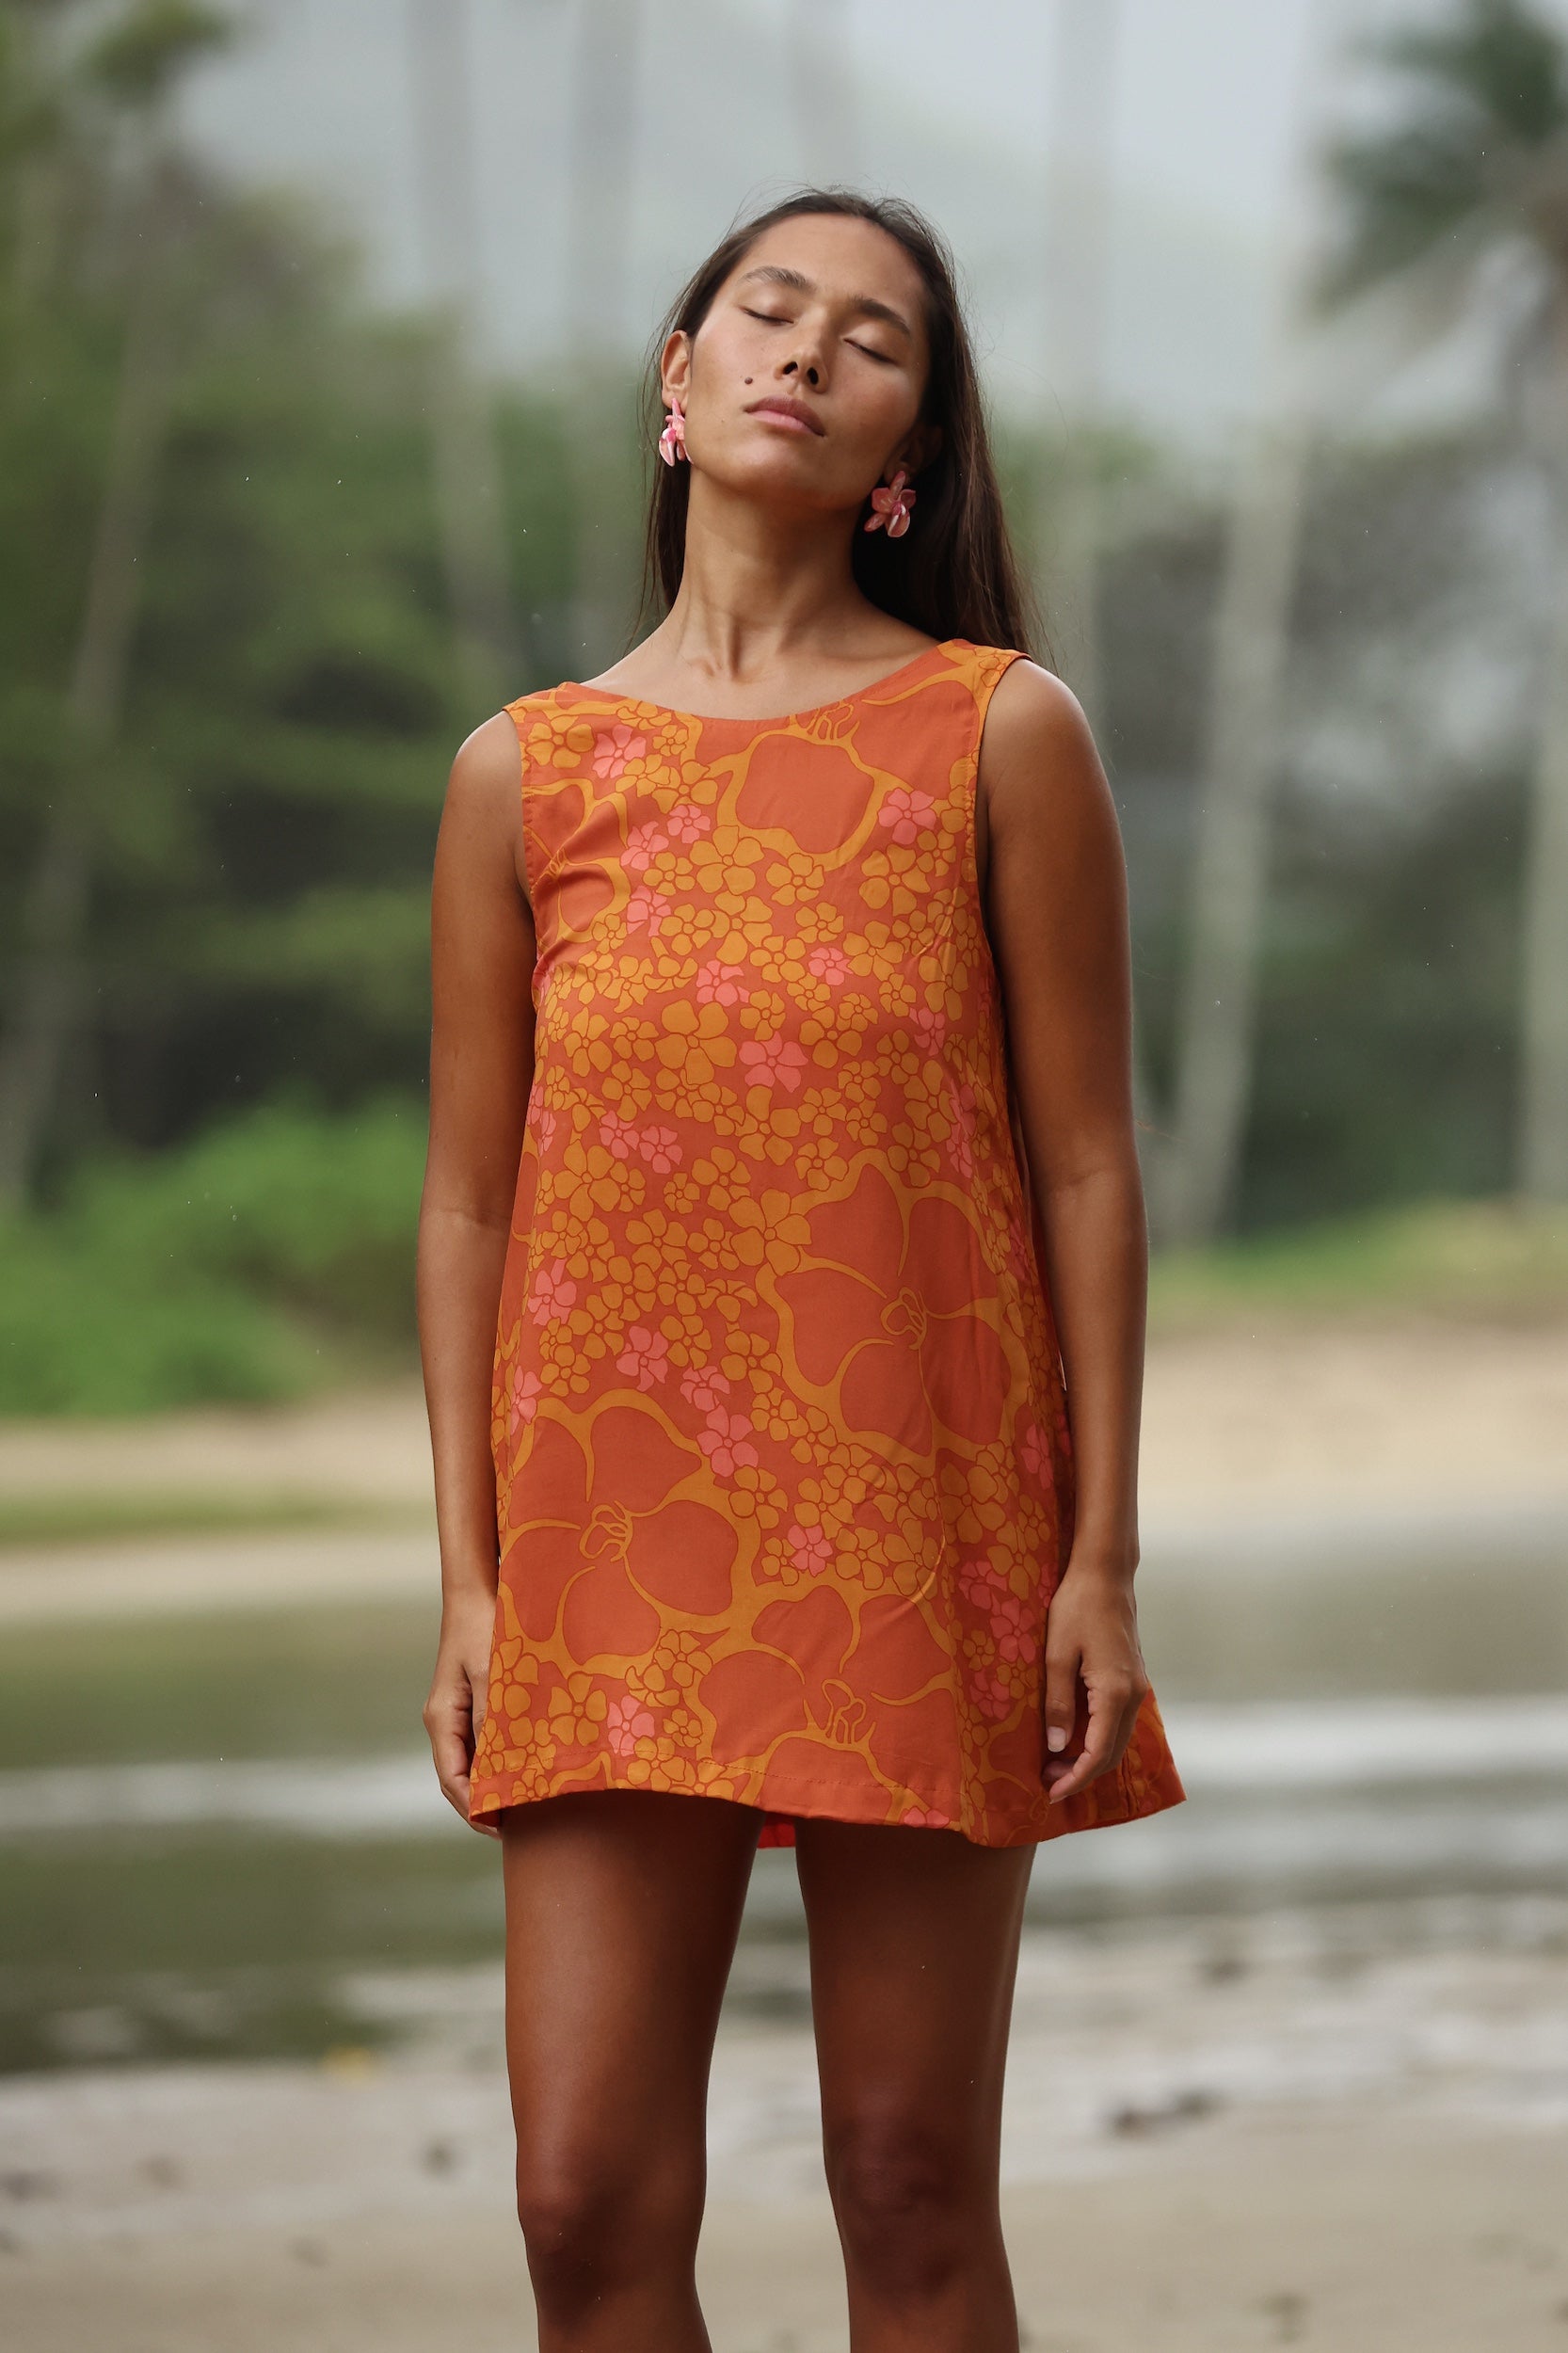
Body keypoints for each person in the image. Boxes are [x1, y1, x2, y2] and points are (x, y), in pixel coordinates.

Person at [418, 186, 1186, 2353]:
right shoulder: (521, 774)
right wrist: (471, 1577)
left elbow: (1087, 1167)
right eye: (766, 310)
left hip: (914, 1514)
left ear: (904, 453)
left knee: (908, 2179)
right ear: (677, 387)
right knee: (576, 2200)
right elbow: (467, 1202)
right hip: (600, 1541)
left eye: (871, 340)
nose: (805, 351)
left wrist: (1096, 1558)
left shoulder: (992, 732)